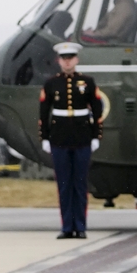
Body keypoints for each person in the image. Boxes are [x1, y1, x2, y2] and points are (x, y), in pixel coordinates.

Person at [38, 42, 102, 240]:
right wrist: (45, 137)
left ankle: (80, 226)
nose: (67, 62)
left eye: (71, 58)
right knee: (64, 184)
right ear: (59, 61)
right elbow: (43, 112)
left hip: (82, 137)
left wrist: (95, 135)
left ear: (76, 60)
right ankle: (67, 226)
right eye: (64, 59)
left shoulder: (88, 82)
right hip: (59, 138)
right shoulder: (51, 84)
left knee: (80, 184)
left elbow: (97, 109)